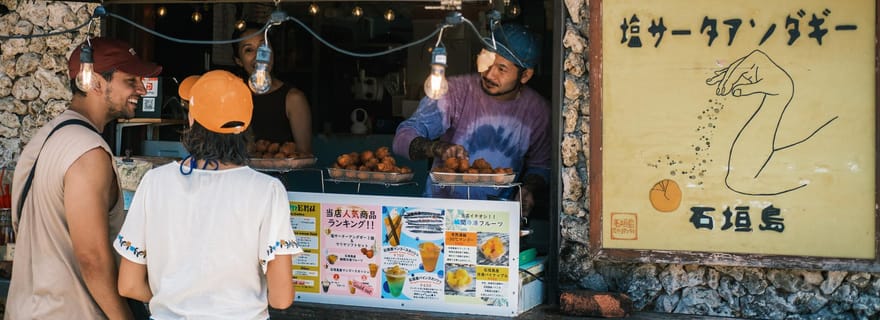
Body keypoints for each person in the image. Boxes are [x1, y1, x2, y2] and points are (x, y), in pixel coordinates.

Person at [115, 70, 302, 319]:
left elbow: (129, 284)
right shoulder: (267, 190)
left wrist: (176, 303)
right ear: (246, 126)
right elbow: (281, 298)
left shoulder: (154, 182)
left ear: (192, 119)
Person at [8, 37, 161, 319]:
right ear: (95, 82)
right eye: (131, 80)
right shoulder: (88, 153)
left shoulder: (44, 139)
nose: (141, 88)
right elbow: (92, 260)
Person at [392, 23, 550, 218]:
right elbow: (402, 138)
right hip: (439, 213)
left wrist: (529, 189)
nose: (489, 74)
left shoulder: (538, 111)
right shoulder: (455, 92)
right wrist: (436, 148)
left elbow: (541, 167)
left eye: (502, 69)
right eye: (487, 61)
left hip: (497, 218)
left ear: (525, 75)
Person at [232, 22, 313, 155]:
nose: (259, 55)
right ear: (239, 61)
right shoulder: (231, 98)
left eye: (263, 46)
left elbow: (305, 155)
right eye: (249, 50)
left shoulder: (294, 99)